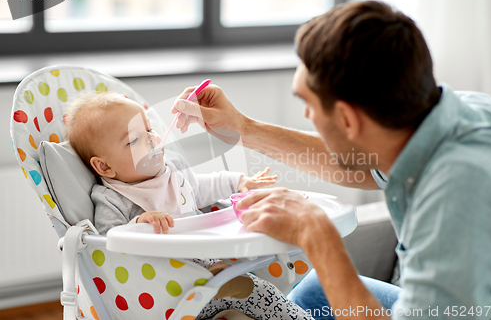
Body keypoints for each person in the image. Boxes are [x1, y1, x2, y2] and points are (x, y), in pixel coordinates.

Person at [171, 0, 491, 320]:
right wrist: (244, 128)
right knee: (314, 291)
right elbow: (362, 160)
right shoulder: (448, 116)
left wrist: (318, 236)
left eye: (308, 104)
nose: (306, 114)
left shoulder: (456, 192)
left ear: (346, 118)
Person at [64, 90, 312, 320]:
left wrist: (239, 181)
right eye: (133, 140)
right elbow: (106, 247)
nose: (151, 139)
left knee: (253, 288)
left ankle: (224, 286)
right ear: (104, 167)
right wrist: (137, 223)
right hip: (165, 288)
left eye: (149, 129)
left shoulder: (170, 172)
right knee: (258, 291)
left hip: (205, 266)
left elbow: (200, 188)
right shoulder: (112, 198)